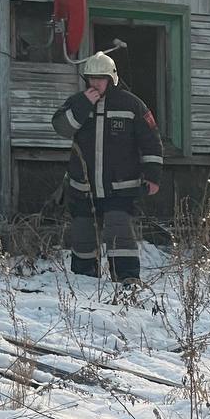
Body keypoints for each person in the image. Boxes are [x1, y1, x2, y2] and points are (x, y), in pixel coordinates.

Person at [51, 51, 163, 283]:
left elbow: (151, 141)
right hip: (83, 188)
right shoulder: (77, 102)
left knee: (119, 233)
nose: (95, 83)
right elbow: (62, 128)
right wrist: (83, 105)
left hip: (121, 188)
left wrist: (153, 175)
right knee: (83, 237)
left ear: (111, 79)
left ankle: (127, 281)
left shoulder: (131, 104)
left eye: (100, 78)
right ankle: (84, 282)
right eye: (91, 78)